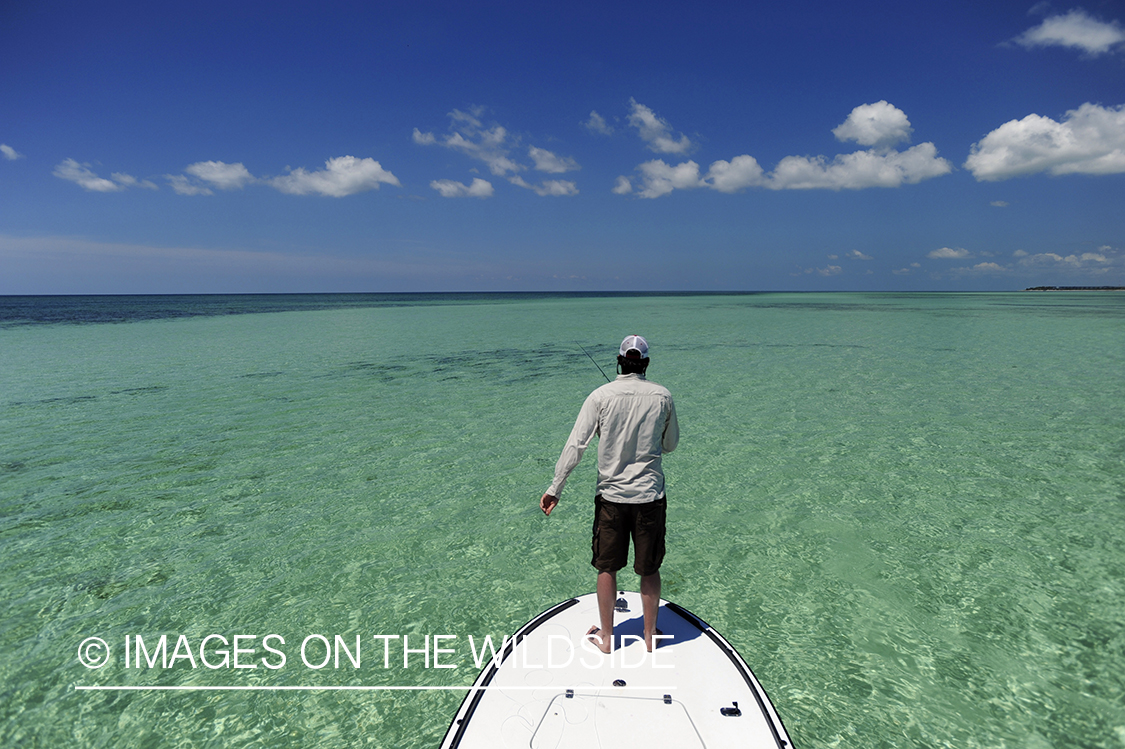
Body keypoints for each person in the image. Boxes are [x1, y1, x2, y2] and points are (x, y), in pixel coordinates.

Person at [540, 334, 679, 653]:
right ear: (644, 363)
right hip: (649, 498)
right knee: (650, 568)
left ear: (619, 362)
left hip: (611, 500)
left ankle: (605, 638)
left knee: (607, 567)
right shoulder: (662, 396)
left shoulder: (600, 396)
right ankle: (649, 635)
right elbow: (670, 445)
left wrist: (555, 488)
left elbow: (576, 445)